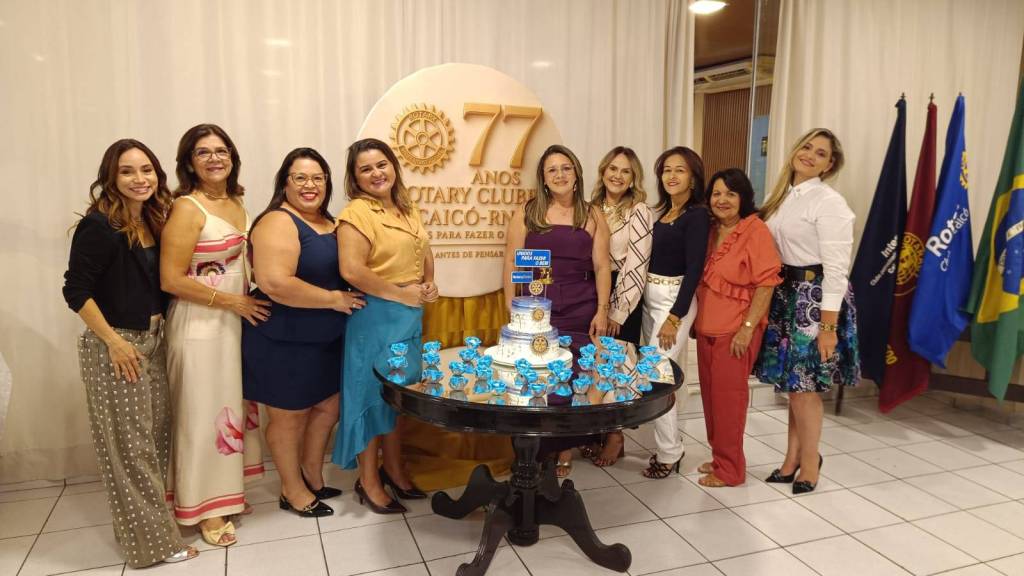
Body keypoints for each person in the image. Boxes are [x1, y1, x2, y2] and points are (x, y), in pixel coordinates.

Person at [62, 139, 197, 566]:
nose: (139, 179)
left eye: (146, 170)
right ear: (110, 177)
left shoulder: (151, 219)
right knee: (131, 451)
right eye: (127, 171)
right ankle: (155, 547)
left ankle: (148, 532)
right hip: (117, 345)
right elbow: (75, 290)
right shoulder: (99, 225)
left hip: (151, 341)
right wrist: (114, 342)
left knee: (153, 441)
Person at [243, 148, 365, 517]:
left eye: (317, 178)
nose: (309, 185)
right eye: (300, 178)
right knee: (289, 416)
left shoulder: (330, 222)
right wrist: (334, 299)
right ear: (285, 183)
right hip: (284, 337)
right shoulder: (278, 221)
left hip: (327, 337)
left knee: (329, 406)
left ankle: (312, 474)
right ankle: (291, 489)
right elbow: (275, 283)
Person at [161, 124, 267, 546]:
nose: (214, 158)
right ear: (189, 163)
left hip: (232, 325)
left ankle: (226, 493)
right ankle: (203, 508)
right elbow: (170, 279)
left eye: (221, 150)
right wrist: (231, 302)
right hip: (199, 326)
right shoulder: (187, 208)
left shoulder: (236, 201)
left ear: (232, 157)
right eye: (202, 152)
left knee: (230, 408)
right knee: (202, 414)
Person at [333, 138, 437, 514]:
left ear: (394, 166)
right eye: (366, 169)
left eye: (382, 164)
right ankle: (369, 481)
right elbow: (352, 270)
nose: (376, 173)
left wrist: (428, 282)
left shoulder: (406, 207)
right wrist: (400, 293)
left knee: (397, 398)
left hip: (408, 314)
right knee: (370, 398)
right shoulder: (356, 213)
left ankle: (394, 470)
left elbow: (423, 250)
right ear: (355, 178)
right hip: (376, 316)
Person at [755, 128, 860, 495]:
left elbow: (837, 270)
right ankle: (792, 458)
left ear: (829, 165)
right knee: (794, 386)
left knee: (805, 388)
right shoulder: (783, 196)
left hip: (814, 301)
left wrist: (828, 327)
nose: (810, 155)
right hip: (786, 295)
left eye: (821, 153)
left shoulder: (829, 202)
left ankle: (811, 461)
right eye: (807, 147)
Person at [503, 144, 612, 477]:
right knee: (539, 377)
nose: (560, 175)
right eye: (552, 169)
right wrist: (511, 309)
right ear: (543, 177)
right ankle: (537, 452)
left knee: (575, 376)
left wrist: (602, 310)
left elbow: (602, 266)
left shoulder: (593, 214)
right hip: (537, 309)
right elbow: (511, 263)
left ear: (576, 173)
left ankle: (564, 449)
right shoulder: (527, 212)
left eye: (566, 168)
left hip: (581, 305)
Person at [694, 169, 781, 487]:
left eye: (730, 194)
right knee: (711, 399)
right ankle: (720, 457)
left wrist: (747, 328)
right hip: (707, 328)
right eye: (717, 193)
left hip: (736, 331)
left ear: (743, 198)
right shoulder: (711, 229)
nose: (723, 200)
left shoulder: (755, 230)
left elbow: (766, 283)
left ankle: (731, 471)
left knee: (729, 402)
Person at [642, 146, 709, 479]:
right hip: (648, 298)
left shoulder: (697, 215)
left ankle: (670, 451)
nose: (671, 175)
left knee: (658, 376)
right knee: (651, 372)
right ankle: (667, 446)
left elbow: (695, 269)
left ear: (693, 177)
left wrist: (675, 317)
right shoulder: (663, 212)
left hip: (673, 301)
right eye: (667, 169)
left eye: (679, 170)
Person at [585, 146, 652, 467]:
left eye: (626, 171)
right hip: (591, 291)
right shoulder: (590, 207)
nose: (618, 175)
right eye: (613, 168)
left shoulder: (639, 211)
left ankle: (615, 436)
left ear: (633, 178)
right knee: (591, 365)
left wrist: (618, 311)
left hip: (623, 294)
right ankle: (591, 433)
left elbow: (638, 264)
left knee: (615, 366)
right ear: (603, 171)